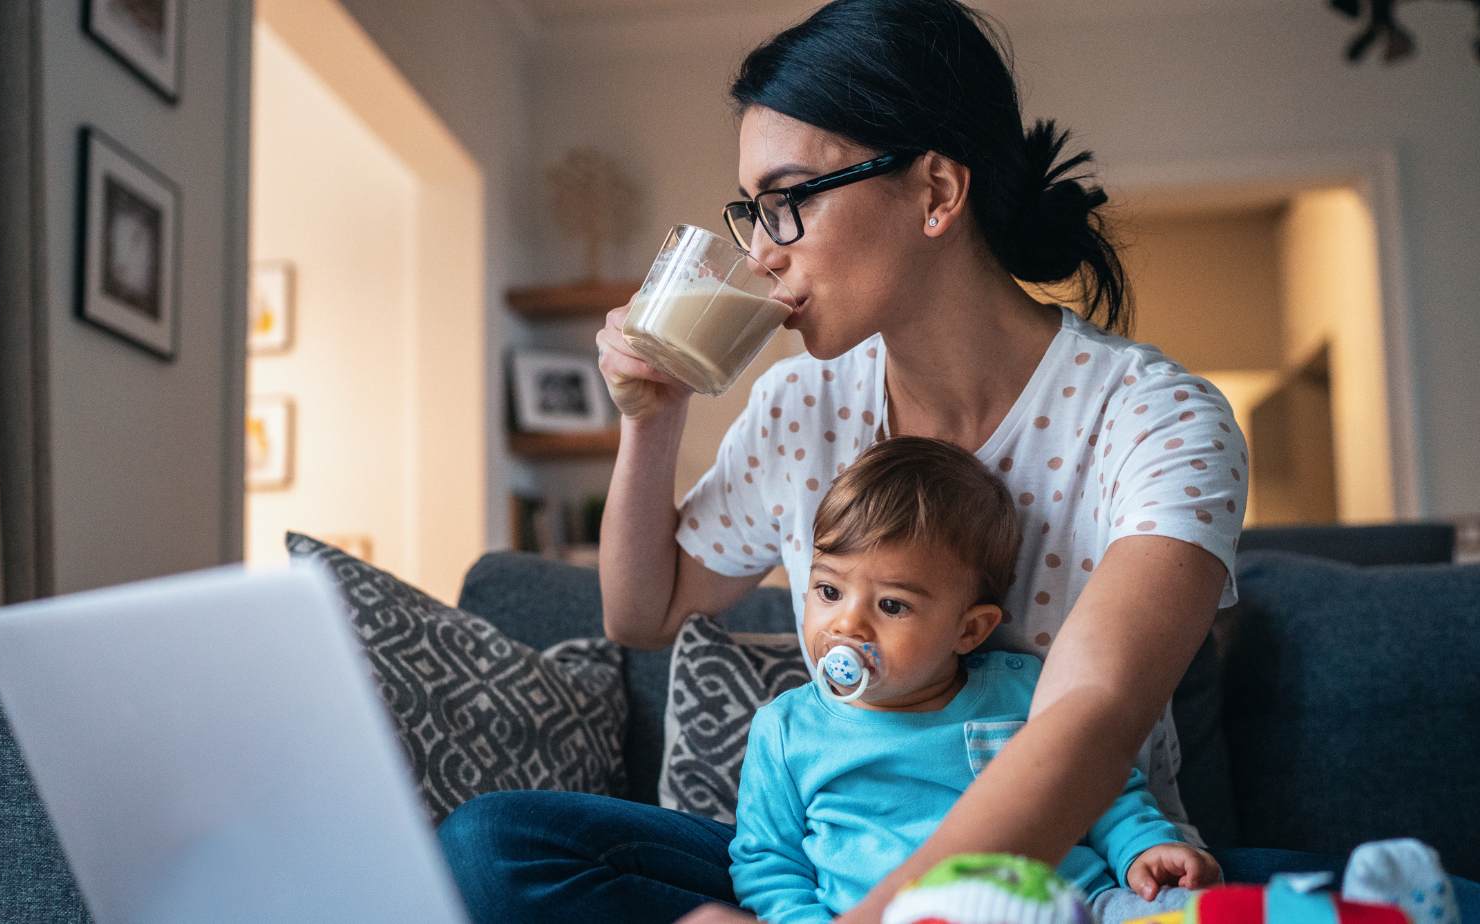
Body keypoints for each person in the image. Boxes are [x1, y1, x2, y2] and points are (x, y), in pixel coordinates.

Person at [435, 1, 1373, 921]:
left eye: (788, 202)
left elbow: (1088, 720)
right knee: (493, 844)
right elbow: (642, 613)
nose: (761, 255)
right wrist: (652, 417)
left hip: (1078, 880)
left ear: (934, 192)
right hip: (834, 878)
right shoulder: (802, 404)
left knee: (1420, 899)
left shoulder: (1156, 420)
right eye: (752, 213)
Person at [729, 436, 1221, 924]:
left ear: (969, 629)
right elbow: (770, 867)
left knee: (1185, 910)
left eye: (892, 605)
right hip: (893, 918)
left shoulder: (1026, 689)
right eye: (829, 590)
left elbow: (1099, 789)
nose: (846, 625)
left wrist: (1143, 847)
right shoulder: (785, 731)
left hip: (1069, 905)